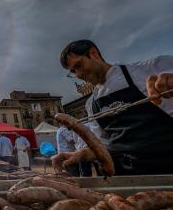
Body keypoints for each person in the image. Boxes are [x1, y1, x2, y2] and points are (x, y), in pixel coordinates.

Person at [54, 39, 173, 175]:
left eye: (79, 65)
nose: (79, 75)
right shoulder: (92, 104)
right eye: (73, 72)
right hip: (129, 180)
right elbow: (103, 147)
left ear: (94, 54)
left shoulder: (150, 69)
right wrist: (81, 154)